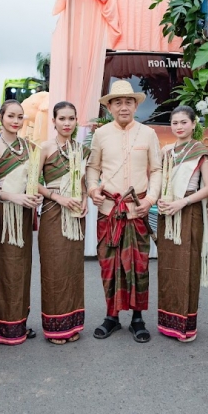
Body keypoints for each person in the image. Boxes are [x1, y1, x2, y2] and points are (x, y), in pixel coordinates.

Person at [86, 81, 162, 343]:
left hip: (137, 211)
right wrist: (92, 189)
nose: (123, 107)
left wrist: (150, 199)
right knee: (110, 267)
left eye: (128, 102)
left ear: (136, 105)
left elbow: (156, 170)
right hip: (109, 211)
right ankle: (112, 317)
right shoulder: (100, 135)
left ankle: (138, 318)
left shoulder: (148, 134)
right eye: (117, 102)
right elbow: (92, 167)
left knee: (139, 266)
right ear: (109, 107)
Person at [0, 100, 41, 345]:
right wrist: (13, 197)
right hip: (3, 216)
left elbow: (33, 181)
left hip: (24, 215)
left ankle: (19, 322)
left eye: (20, 117)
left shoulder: (30, 147)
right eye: (11, 116)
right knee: (2, 269)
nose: (16, 121)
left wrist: (34, 196)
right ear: (1, 117)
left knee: (21, 269)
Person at [156, 106, 208, 343]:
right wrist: (159, 199)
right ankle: (167, 322)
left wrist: (183, 202)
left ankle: (185, 326)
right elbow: (159, 181)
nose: (179, 127)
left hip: (189, 211)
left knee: (187, 267)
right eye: (174, 123)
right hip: (167, 213)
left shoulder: (200, 150)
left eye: (183, 122)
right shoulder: (166, 151)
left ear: (193, 124)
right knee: (167, 267)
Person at [36, 101, 88, 345]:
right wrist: (58, 197)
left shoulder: (81, 149)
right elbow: (32, 183)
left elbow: (84, 181)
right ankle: (55, 327)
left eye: (71, 118)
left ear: (76, 121)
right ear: (54, 121)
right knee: (55, 269)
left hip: (76, 214)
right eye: (62, 119)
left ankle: (72, 323)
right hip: (53, 212)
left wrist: (85, 199)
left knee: (73, 268)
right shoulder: (44, 148)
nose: (67, 123)